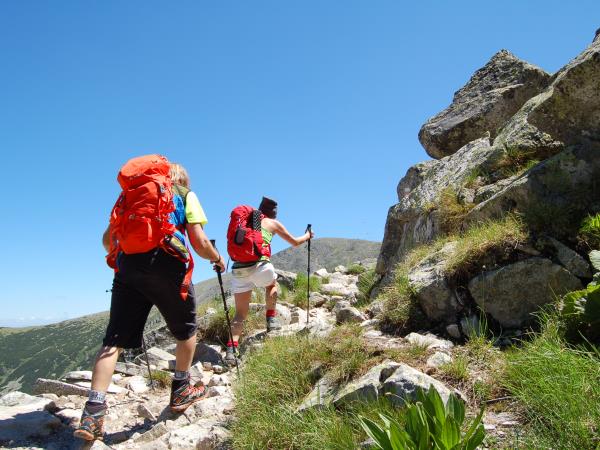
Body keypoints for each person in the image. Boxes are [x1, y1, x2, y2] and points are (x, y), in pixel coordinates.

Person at [74, 161, 225, 442]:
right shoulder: (184, 195)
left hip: (127, 267)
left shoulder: (130, 197)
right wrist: (218, 258)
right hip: (167, 265)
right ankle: (181, 389)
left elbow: (109, 240)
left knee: (113, 341)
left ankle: (93, 412)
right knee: (186, 332)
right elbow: (200, 242)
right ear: (182, 179)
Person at [225, 196, 313, 365]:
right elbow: (294, 242)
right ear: (273, 213)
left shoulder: (246, 221)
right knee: (272, 284)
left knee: (240, 314)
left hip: (239, 269)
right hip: (261, 266)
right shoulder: (273, 223)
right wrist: (308, 235)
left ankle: (231, 350)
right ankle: (271, 320)